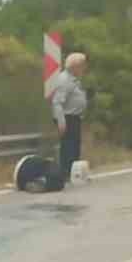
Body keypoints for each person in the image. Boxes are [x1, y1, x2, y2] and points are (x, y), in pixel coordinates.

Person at [48, 52, 88, 190]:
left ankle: (74, 173)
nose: (84, 68)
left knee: (74, 145)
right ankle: (65, 173)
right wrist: (61, 122)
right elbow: (57, 102)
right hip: (66, 117)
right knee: (68, 146)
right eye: (82, 65)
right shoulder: (65, 80)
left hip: (74, 117)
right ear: (74, 67)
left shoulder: (74, 79)